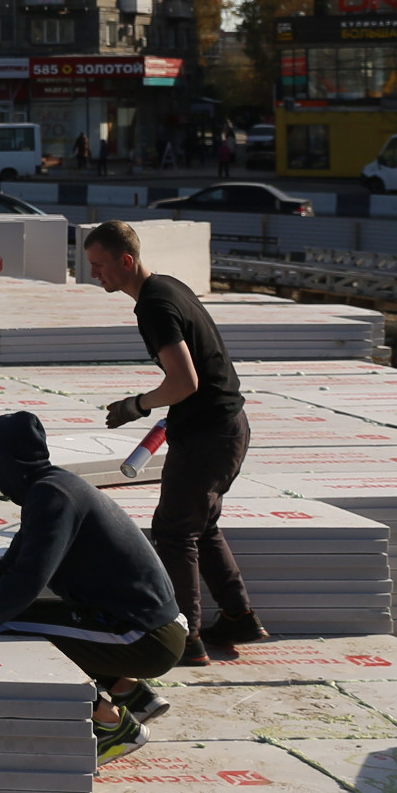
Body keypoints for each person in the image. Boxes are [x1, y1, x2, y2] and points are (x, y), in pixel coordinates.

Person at [0, 410, 183, 759]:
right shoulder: (53, 487)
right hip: (138, 625)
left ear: (9, 461)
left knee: (3, 629)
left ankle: (114, 725)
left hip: (142, 637)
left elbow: (26, 582)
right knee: (16, 618)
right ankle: (129, 691)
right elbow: (6, 568)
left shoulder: (53, 497)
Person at [82, 219, 267, 667]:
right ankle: (240, 618)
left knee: (174, 532)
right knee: (201, 526)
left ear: (126, 261)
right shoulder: (168, 287)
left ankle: (185, 639)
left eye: (100, 265)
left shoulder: (153, 306)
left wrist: (136, 405)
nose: (94, 275)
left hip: (209, 433)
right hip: (227, 425)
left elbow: (184, 380)